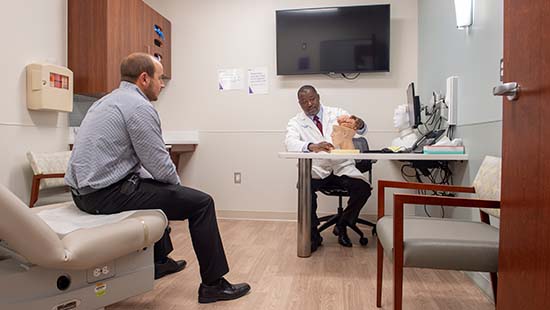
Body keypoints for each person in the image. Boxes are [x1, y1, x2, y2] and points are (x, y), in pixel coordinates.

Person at [64, 53, 250, 304]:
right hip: (103, 196)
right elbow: (161, 167)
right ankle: (213, 285)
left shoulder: (107, 101)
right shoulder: (139, 107)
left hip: (81, 195)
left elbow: (146, 168)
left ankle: (159, 262)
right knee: (201, 203)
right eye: (159, 78)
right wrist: (180, 193)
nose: (162, 84)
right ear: (144, 78)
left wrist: (169, 192)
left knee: (154, 188)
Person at [285, 85, 372, 251]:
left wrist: (359, 124)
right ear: (299, 104)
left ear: (318, 97)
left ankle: (343, 223)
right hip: (318, 170)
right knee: (304, 188)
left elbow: (361, 131)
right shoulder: (295, 122)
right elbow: (290, 143)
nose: (310, 104)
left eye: (312, 99)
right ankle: (313, 236)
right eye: (304, 102)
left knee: (363, 188)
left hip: (341, 167)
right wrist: (312, 146)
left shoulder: (337, 113)